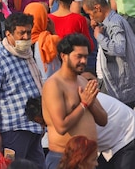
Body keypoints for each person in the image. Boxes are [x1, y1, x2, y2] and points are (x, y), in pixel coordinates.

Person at [42, 34, 108, 169]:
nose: (83, 61)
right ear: (63, 56)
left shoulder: (83, 81)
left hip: (87, 159)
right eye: (79, 56)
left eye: (86, 56)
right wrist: (83, 105)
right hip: (63, 158)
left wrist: (90, 103)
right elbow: (61, 127)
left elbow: (103, 120)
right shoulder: (53, 85)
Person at [0, 13, 45, 165]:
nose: (26, 36)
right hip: (12, 128)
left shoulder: (27, 54)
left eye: (28, 32)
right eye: (21, 33)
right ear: (9, 34)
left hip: (33, 126)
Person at [83, 0, 135, 107]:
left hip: (124, 83)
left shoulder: (114, 22)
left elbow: (119, 48)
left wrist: (99, 36)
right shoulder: (108, 22)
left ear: (97, 8)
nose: (90, 17)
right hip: (117, 81)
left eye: (90, 13)